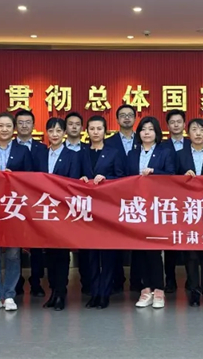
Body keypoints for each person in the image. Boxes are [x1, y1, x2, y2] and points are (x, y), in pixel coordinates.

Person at [0, 113, 33, 313]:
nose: (4, 129)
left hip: (14, 209)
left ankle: (10, 294)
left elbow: (30, 178)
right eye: (0, 126)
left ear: (14, 129)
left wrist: (16, 178)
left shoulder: (23, 150)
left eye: (8, 126)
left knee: (13, 254)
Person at [127, 116, 176, 309]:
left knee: (154, 250)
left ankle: (159, 290)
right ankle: (145, 289)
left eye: (150, 129)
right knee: (139, 250)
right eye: (143, 129)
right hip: (136, 206)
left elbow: (171, 174)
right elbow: (125, 178)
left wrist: (154, 172)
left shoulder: (165, 152)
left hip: (157, 206)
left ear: (157, 133)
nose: (146, 132)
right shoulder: (132, 153)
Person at [79, 116, 126, 309]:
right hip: (87, 210)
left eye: (99, 128)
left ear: (105, 131)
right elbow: (73, 177)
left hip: (107, 209)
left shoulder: (114, 153)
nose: (95, 132)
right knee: (91, 255)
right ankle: (94, 292)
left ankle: (105, 293)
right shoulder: (81, 153)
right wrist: (80, 179)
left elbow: (122, 178)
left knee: (107, 254)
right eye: (92, 128)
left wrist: (107, 179)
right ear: (87, 131)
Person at [176, 118, 203, 307]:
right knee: (192, 253)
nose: (198, 133)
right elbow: (171, 180)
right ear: (188, 133)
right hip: (187, 210)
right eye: (194, 129)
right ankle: (194, 291)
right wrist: (182, 177)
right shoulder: (179, 155)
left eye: (202, 130)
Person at [42, 117, 83, 311]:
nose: (55, 134)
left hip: (64, 210)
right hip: (44, 211)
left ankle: (61, 292)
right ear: (46, 133)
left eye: (59, 131)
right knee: (49, 254)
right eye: (51, 131)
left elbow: (72, 182)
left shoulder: (72, 156)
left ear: (64, 133)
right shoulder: (41, 154)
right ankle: (52, 291)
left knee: (61, 253)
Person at [104, 104, 139, 292]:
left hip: (139, 197)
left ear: (135, 118)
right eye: (123, 115)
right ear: (117, 119)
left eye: (130, 115)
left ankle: (137, 281)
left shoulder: (143, 139)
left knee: (138, 240)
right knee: (114, 239)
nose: (126, 118)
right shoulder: (108, 142)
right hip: (114, 198)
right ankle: (116, 280)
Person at [14, 109, 48, 297]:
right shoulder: (10, 147)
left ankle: (36, 282)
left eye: (28, 122)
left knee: (37, 244)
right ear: (15, 126)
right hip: (16, 202)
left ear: (34, 125)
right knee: (16, 243)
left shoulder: (42, 148)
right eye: (20, 122)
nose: (24, 126)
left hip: (37, 201)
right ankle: (16, 282)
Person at [64, 112, 93, 296]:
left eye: (77, 124)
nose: (74, 127)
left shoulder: (87, 150)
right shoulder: (55, 150)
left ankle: (86, 284)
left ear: (82, 128)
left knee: (85, 247)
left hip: (83, 205)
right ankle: (60, 287)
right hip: (61, 204)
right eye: (70, 124)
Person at [163, 109, 187, 293]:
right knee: (169, 242)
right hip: (168, 200)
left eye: (179, 121)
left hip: (190, 201)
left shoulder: (193, 143)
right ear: (168, 125)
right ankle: (170, 279)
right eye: (172, 122)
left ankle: (190, 279)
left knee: (189, 241)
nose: (176, 125)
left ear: (184, 124)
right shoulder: (162, 147)